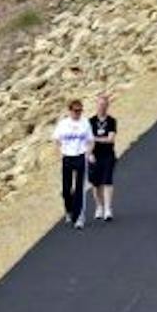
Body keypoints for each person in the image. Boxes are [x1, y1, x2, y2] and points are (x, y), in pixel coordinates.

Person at [53, 97, 94, 229]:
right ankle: (69, 210)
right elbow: (56, 140)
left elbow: (90, 140)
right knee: (66, 189)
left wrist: (88, 153)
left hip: (80, 156)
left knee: (79, 188)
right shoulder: (63, 124)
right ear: (70, 110)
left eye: (80, 110)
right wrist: (59, 154)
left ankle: (79, 218)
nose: (78, 113)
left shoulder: (85, 123)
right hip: (67, 157)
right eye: (76, 111)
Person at [87, 93, 119, 222]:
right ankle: (99, 207)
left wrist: (95, 138)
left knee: (107, 181)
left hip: (108, 155)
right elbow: (87, 141)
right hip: (94, 156)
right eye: (100, 104)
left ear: (108, 106)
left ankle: (108, 209)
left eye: (104, 105)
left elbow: (110, 139)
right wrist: (89, 154)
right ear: (96, 105)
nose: (102, 107)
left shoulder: (111, 121)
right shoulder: (90, 122)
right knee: (96, 184)